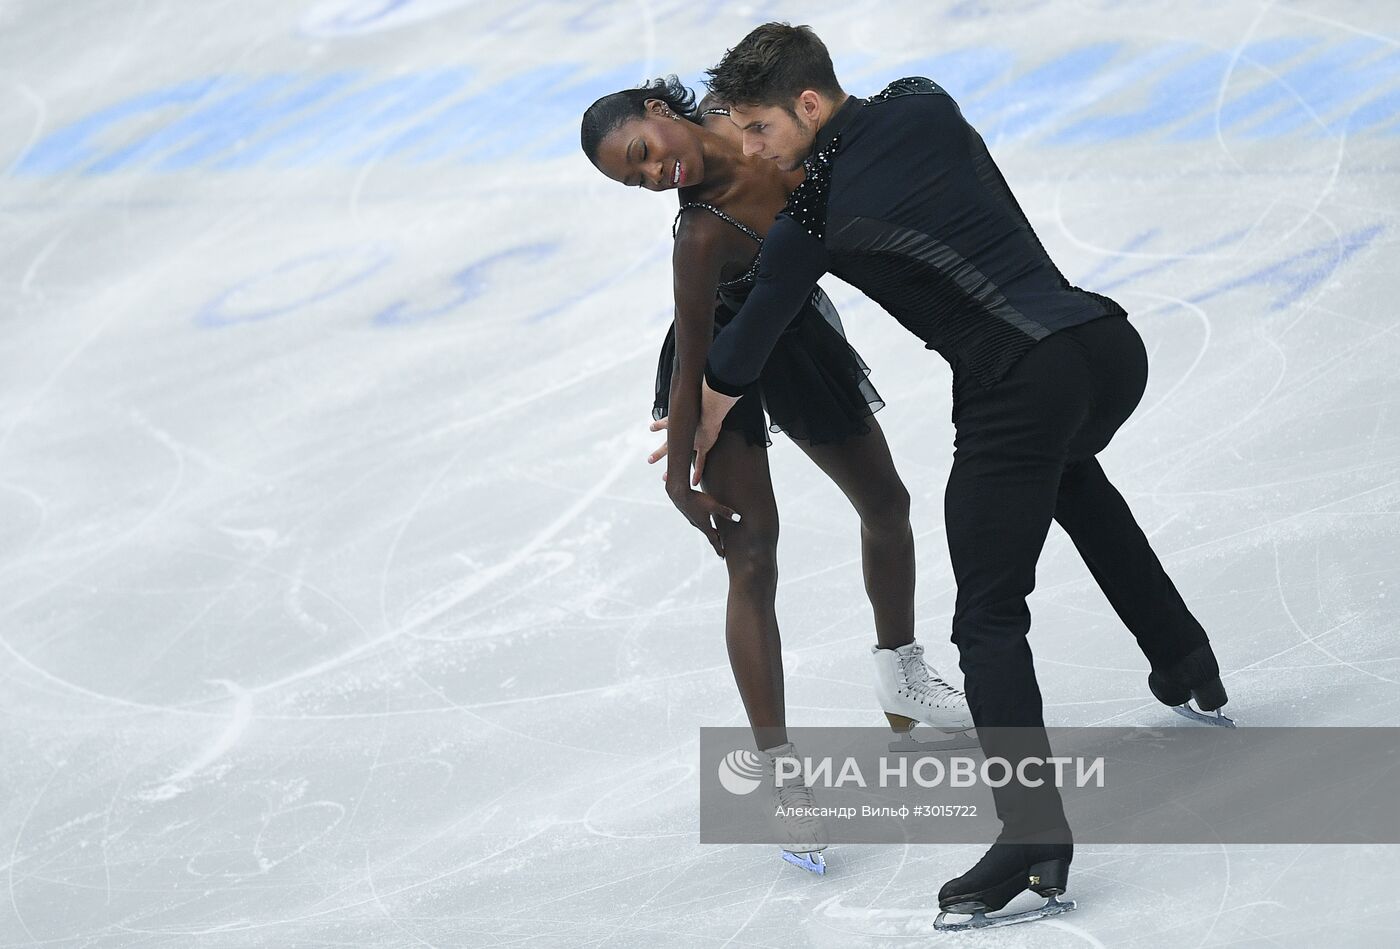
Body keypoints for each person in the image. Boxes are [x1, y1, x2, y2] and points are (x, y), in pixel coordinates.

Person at [691, 23, 1233, 926]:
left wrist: (697, 411)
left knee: (986, 618)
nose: (746, 147)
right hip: (1104, 347)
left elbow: (746, 345)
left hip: (1016, 383)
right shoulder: (923, 98)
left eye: (756, 128)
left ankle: (1032, 841)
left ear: (808, 106)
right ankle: (1185, 659)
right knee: (1072, 480)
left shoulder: (811, 218)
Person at [579, 78, 974, 874]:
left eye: (644, 156)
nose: (652, 178)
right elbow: (695, 358)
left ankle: (901, 676)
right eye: (635, 181)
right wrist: (679, 479)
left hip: (793, 338)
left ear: (661, 114)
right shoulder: (697, 235)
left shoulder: (754, 118)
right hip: (718, 362)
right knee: (752, 552)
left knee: (888, 506)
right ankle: (782, 772)